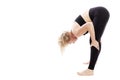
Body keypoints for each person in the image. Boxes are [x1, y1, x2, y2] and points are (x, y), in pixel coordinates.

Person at [58, 6, 110, 76]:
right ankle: (92, 61)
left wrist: (94, 40)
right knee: (95, 39)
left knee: (93, 40)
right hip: (101, 12)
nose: (73, 43)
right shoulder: (73, 29)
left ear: (69, 38)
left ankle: (90, 70)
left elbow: (89, 25)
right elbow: (89, 26)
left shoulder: (75, 32)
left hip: (100, 13)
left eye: (70, 43)